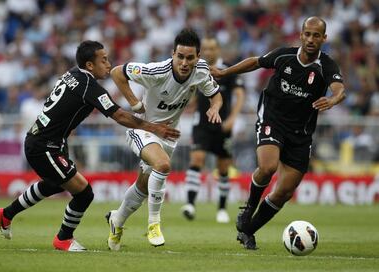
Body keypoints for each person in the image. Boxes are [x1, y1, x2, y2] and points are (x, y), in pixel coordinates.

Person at [0, 40, 180, 252]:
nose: (108, 64)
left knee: (53, 184)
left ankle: (5, 214)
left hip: (50, 142)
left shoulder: (73, 74)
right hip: (44, 146)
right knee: (84, 193)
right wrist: (153, 127)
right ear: (90, 65)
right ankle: (63, 238)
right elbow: (118, 115)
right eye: (104, 60)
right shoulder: (89, 86)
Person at [211, 17, 346, 249]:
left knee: (284, 192)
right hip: (272, 119)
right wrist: (225, 73)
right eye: (307, 34)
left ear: (324, 38)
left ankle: (248, 231)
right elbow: (256, 62)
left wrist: (333, 100)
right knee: (268, 166)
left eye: (316, 35)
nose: (311, 39)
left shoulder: (327, 65)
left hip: (301, 133)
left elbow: (340, 89)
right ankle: (249, 208)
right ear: (301, 34)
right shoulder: (284, 55)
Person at [106, 28, 223, 250]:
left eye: (190, 57)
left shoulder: (200, 71)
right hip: (142, 127)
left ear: (198, 57)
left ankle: (117, 219)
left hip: (168, 135)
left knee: (143, 185)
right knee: (163, 165)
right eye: (180, 56)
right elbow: (116, 72)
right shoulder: (156, 71)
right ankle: (154, 224)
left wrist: (214, 107)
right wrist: (134, 103)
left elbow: (215, 94)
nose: (184, 62)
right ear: (173, 54)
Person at [181, 36, 245, 223]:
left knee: (223, 167)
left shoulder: (228, 68)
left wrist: (233, 118)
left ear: (218, 50)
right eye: (205, 49)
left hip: (222, 125)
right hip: (201, 124)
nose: (208, 52)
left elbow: (239, 94)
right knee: (197, 159)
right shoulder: (195, 67)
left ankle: (222, 209)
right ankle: (190, 204)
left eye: (212, 48)